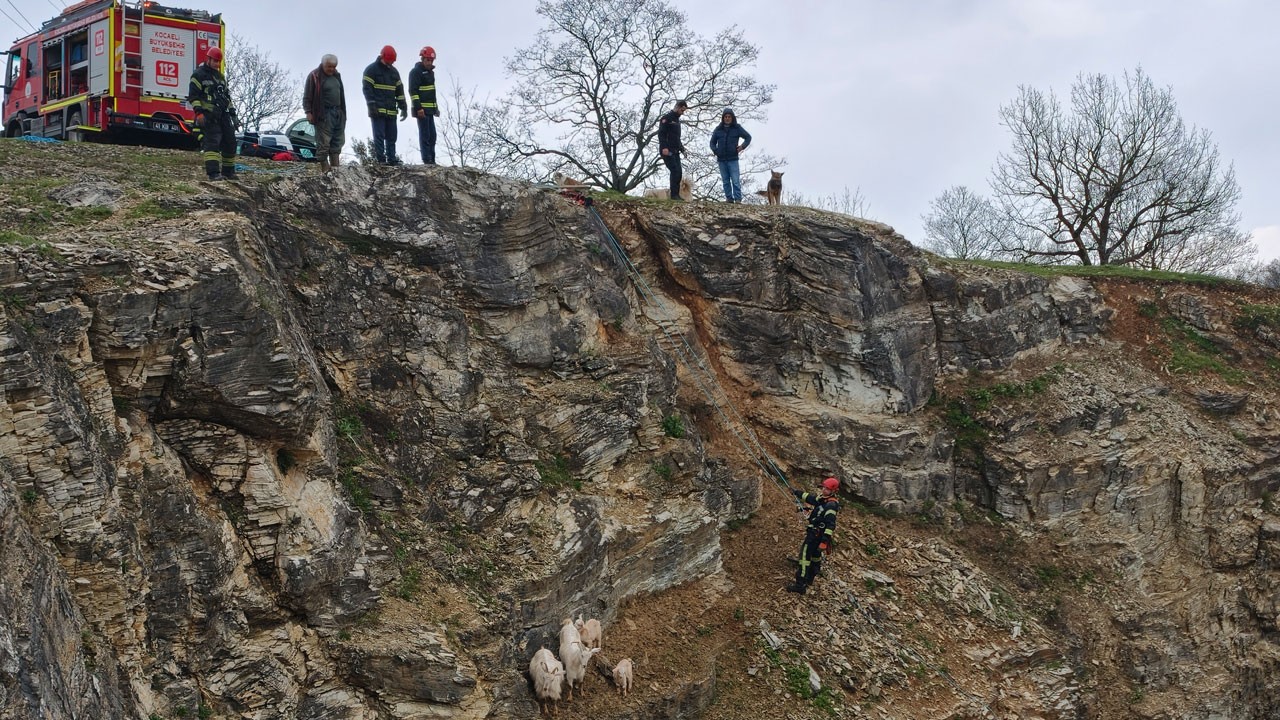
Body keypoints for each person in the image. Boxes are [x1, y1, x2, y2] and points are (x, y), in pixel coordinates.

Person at [187, 46, 239, 181]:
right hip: (208, 115)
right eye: (215, 61)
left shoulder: (220, 77)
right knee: (212, 143)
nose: (217, 64)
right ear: (208, 59)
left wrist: (234, 116)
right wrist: (199, 114)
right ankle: (213, 173)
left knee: (230, 141)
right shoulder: (198, 75)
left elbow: (227, 97)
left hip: (223, 114)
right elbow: (193, 97)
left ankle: (228, 172)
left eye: (218, 62)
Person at [786, 477, 839, 594]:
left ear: (833, 491)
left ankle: (800, 585)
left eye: (827, 489)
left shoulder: (831, 505)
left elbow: (830, 525)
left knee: (804, 556)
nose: (824, 490)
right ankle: (810, 579)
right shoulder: (823, 500)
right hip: (817, 534)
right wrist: (796, 492)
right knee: (815, 557)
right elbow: (810, 498)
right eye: (824, 488)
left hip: (816, 535)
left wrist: (824, 542)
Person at [362, 45, 408, 165]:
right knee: (379, 136)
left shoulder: (394, 72)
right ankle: (381, 160)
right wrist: (371, 106)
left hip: (391, 110)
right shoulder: (371, 70)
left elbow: (399, 91)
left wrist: (403, 107)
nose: (390, 63)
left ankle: (392, 159)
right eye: (389, 61)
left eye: (392, 61)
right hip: (378, 110)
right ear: (383, 57)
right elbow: (367, 89)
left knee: (392, 137)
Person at [303, 53, 347, 173]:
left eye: (334, 67)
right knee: (323, 142)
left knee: (337, 140)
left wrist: (343, 114)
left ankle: (335, 169)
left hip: (338, 113)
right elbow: (307, 96)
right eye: (329, 67)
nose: (331, 69)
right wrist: (308, 112)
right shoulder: (314, 76)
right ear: (323, 64)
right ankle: (325, 170)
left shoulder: (337, 76)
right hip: (323, 114)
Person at [709, 108, 751, 203]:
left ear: (732, 118)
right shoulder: (718, 129)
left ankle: (738, 199)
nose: (727, 118)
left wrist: (742, 147)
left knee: (735, 180)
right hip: (721, 159)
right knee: (725, 181)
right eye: (725, 117)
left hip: (733, 159)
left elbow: (748, 137)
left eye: (729, 117)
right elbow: (712, 143)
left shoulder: (737, 128)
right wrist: (716, 151)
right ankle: (729, 198)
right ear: (723, 118)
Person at [408, 46, 439, 165]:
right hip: (422, 110)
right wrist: (418, 108)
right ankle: (427, 159)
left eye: (431, 61)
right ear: (422, 59)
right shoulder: (415, 72)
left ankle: (432, 158)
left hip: (430, 109)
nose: (429, 63)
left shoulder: (431, 73)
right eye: (427, 60)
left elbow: (432, 92)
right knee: (425, 135)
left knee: (432, 135)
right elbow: (413, 91)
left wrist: (435, 107)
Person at [657, 99, 688, 200]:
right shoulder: (666, 118)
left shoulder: (677, 121)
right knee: (674, 171)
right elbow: (661, 134)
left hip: (675, 151)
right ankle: (673, 195)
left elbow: (676, 138)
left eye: (684, 111)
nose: (682, 113)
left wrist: (682, 149)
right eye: (682, 110)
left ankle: (676, 194)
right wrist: (664, 147)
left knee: (679, 172)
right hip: (667, 150)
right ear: (677, 107)